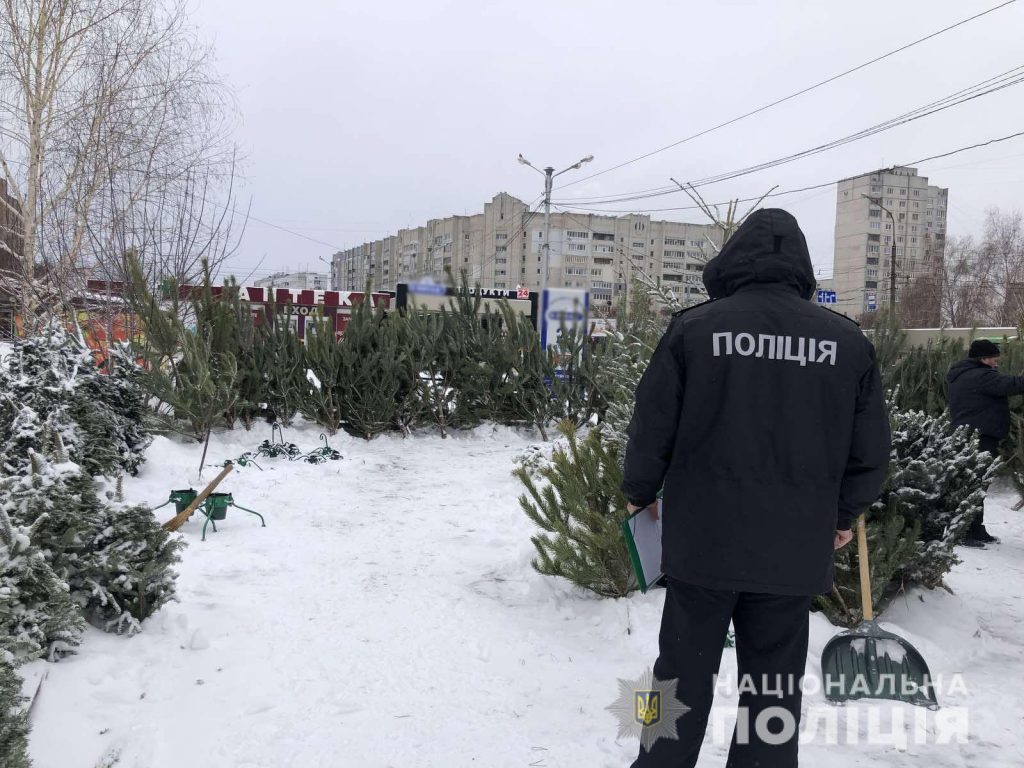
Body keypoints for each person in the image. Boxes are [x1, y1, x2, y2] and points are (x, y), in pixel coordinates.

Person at [621, 208, 891, 768]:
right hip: (793, 548)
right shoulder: (846, 341)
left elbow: (653, 425)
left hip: (702, 544)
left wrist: (639, 492)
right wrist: (843, 515)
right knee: (774, 685)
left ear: (734, 258)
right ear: (801, 266)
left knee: (678, 673)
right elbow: (869, 450)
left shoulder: (695, 329)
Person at [947, 338, 1024, 546]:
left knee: (975, 484)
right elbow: (1013, 384)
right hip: (979, 437)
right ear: (983, 359)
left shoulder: (963, 374)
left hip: (971, 434)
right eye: (994, 359)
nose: (996, 363)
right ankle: (967, 532)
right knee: (975, 485)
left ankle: (976, 530)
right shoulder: (980, 376)